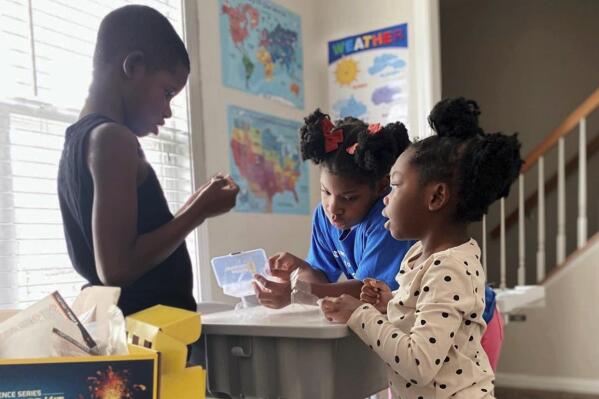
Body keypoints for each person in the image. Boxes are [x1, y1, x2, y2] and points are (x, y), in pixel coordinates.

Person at [321, 97, 522, 398]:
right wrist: (389, 303)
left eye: (396, 186)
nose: (386, 199)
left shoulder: (449, 268)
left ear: (436, 197)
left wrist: (359, 313)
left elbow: (419, 362)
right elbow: (424, 320)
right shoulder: (419, 254)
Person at [58, 5, 239, 316]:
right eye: (167, 92)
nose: (168, 111)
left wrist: (192, 205)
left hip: (129, 330)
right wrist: (198, 211)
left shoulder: (77, 139)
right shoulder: (113, 138)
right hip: (147, 339)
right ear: (134, 66)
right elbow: (116, 268)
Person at [253, 109, 414, 308]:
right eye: (325, 192)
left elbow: (367, 292)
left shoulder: (389, 219)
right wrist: (299, 269)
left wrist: (297, 293)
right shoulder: (323, 215)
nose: (334, 208)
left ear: (381, 187)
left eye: (349, 198)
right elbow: (322, 278)